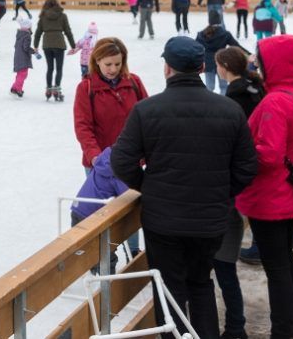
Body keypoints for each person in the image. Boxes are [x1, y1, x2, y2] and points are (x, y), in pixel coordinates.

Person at [111, 36, 258, 339]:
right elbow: (247, 167)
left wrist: (148, 186)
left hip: (163, 220)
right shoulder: (229, 109)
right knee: (201, 283)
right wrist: (219, 192)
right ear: (202, 67)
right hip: (209, 220)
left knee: (169, 288)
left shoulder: (147, 110)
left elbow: (122, 161)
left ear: (167, 68)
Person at [235, 35, 293, 339]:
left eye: (261, 59)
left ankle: (283, 330)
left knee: (276, 267)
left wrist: (238, 151)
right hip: (290, 191)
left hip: (270, 197)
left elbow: (267, 155)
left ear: (275, 64)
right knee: (285, 259)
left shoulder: (275, 102)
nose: (256, 63)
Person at [212, 46, 263, 338]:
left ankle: (229, 326)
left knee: (218, 270)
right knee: (225, 269)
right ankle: (236, 327)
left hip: (225, 196)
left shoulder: (234, 97)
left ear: (224, 67)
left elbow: (234, 143)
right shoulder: (255, 87)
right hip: (235, 189)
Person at [72, 37, 147, 171]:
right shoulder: (86, 88)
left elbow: (147, 119)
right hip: (100, 163)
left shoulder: (134, 82)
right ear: (97, 60)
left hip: (131, 161)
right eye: (108, 64)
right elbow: (83, 126)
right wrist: (95, 156)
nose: (113, 69)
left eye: (117, 64)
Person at [69, 146, 130, 272]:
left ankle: (95, 272)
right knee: (106, 252)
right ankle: (107, 286)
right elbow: (128, 194)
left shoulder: (103, 160)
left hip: (78, 211)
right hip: (91, 219)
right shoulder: (117, 171)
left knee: (96, 251)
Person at [33, 0, 76, 102]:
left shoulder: (43, 16)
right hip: (59, 44)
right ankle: (56, 89)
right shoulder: (62, 15)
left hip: (47, 44)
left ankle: (48, 89)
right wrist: (73, 45)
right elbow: (68, 31)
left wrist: (36, 45)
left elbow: (38, 32)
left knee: (50, 68)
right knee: (59, 68)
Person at [196, 12, 241, 94]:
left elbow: (195, 49)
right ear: (220, 21)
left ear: (209, 21)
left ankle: (209, 104)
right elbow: (237, 46)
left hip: (208, 63)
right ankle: (223, 104)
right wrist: (249, 54)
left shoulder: (201, 34)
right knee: (224, 87)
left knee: (209, 87)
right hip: (221, 62)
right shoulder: (225, 34)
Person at [10, 19, 35, 98]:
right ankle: (18, 89)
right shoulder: (27, 35)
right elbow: (26, 47)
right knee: (23, 74)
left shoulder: (19, 34)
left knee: (19, 74)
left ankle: (14, 88)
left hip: (17, 57)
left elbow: (16, 46)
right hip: (23, 58)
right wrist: (33, 51)